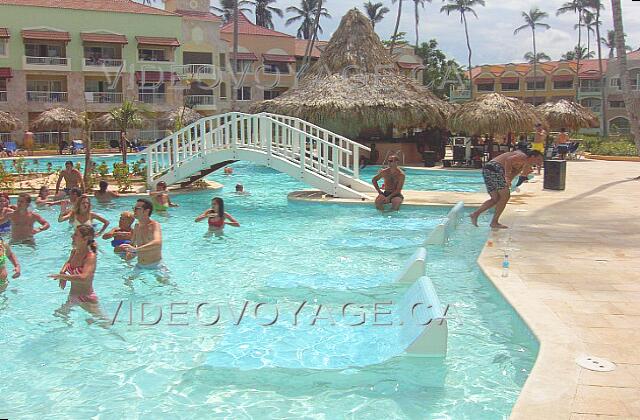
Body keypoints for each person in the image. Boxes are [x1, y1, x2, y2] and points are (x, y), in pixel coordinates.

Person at [470, 150, 544, 229]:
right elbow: (508, 160)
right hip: (495, 168)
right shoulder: (523, 156)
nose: (539, 163)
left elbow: (513, 174)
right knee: (505, 196)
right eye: (538, 160)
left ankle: (475, 214)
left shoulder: (522, 164)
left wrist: (509, 182)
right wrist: (507, 177)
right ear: (532, 157)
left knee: (495, 198)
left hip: (488, 169)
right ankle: (494, 222)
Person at [49, 225, 101, 315]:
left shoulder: (90, 256)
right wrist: (62, 271)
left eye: (75, 235)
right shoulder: (75, 251)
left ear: (85, 239)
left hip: (86, 298)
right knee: (59, 315)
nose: (72, 236)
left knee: (102, 323)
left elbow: (84, 277)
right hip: (73, 296)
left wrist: (62, 277)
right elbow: (68, 262)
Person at [121, 199, 163, 269]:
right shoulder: (137, 226)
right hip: (140, 265)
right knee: (126, 279)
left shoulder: (154, 225)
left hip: (155, 265)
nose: (134, 210)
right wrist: (128, 260)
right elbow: (132, 246)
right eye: (133, 208)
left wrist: (136, 249)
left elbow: (158, 243)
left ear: (146, 211)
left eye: (137, 209)